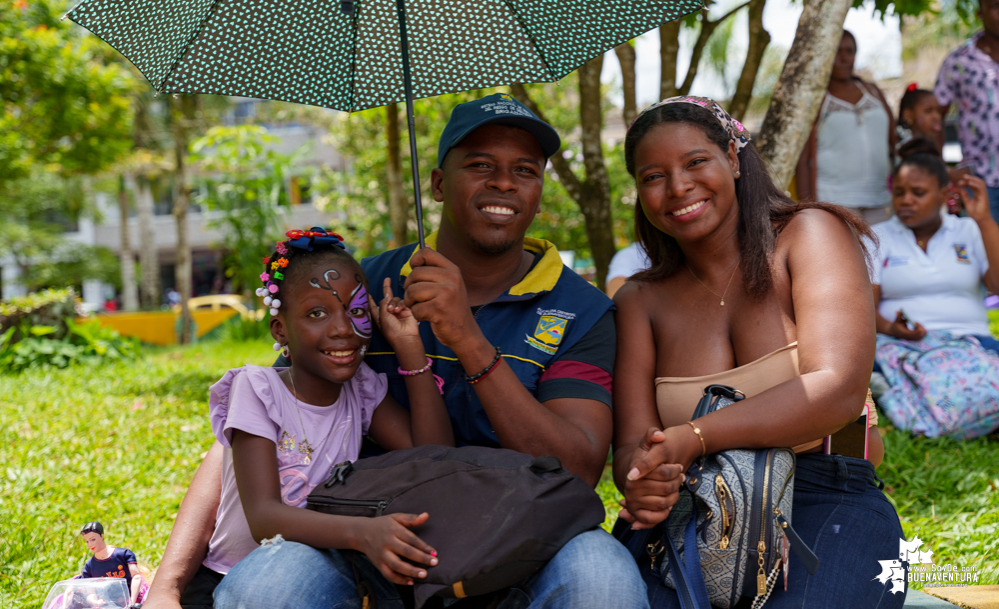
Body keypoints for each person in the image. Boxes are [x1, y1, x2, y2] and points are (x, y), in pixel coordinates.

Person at [145, 94, 647, 609]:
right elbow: (264, 423)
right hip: (369, 530)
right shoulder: (358, 292)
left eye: (525, 169)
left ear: (539, 192)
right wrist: (168, 582)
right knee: (265, 592)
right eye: (479, 165)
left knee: (605, 585)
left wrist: (467, 339)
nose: (503, 182)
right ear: (435, 183)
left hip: (527, 530)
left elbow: (578, 469)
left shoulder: (580, 309)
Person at [613, 96, 903, 608]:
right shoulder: (640, 300)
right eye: (653, 177)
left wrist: (694, 436)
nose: (678, 187)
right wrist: (643, 480)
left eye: (695, 162)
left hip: (824, 496)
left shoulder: (808, 235)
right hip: (689, 510)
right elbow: (632, 446)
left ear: (732, 154)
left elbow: (836, 390)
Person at [180, 228, 454, 604]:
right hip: (229, 579)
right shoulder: (257, 389)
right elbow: (264, 519)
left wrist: (409, 346)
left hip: (318, 573)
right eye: (316, 313)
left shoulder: (360, 389)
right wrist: (364, 532)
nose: (342, 328)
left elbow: (434, 456)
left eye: (356, 310)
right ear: (281, 329)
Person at [869, 140, 999, 438]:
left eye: (918, 193)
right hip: (902, 344)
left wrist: (984, 220)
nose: (906, 201)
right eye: (899, 193)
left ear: (943, 195)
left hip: (971, 341)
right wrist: (892, 328)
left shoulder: (968, 230)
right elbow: (864, 307)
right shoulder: (877, 237)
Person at [796, 30, 896, 225]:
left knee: (882, 253)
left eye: (849, 51)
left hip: (881, 197)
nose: (844, 58)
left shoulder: (873, 92)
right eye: (837, 51)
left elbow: (893, 141)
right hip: (835, 201)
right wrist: (807, 210)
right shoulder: (816, 100)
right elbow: (803, 159)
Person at [935, 0, 999, 222]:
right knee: (984, 256)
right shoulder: (959, 61)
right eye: (995, 6)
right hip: (979, 181)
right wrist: (943, 170)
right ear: (980, 14)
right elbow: (934, 117)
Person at [79, 522, 145, 606]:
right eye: (87, 541)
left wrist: (131, 602)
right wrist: (95, 602)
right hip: (106, 604)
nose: (90, 544)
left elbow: (136, 577)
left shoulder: (123, 554)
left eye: (93, 539)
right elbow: (90, 592)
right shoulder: (89, 566)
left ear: (102, 536)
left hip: (130, 599)